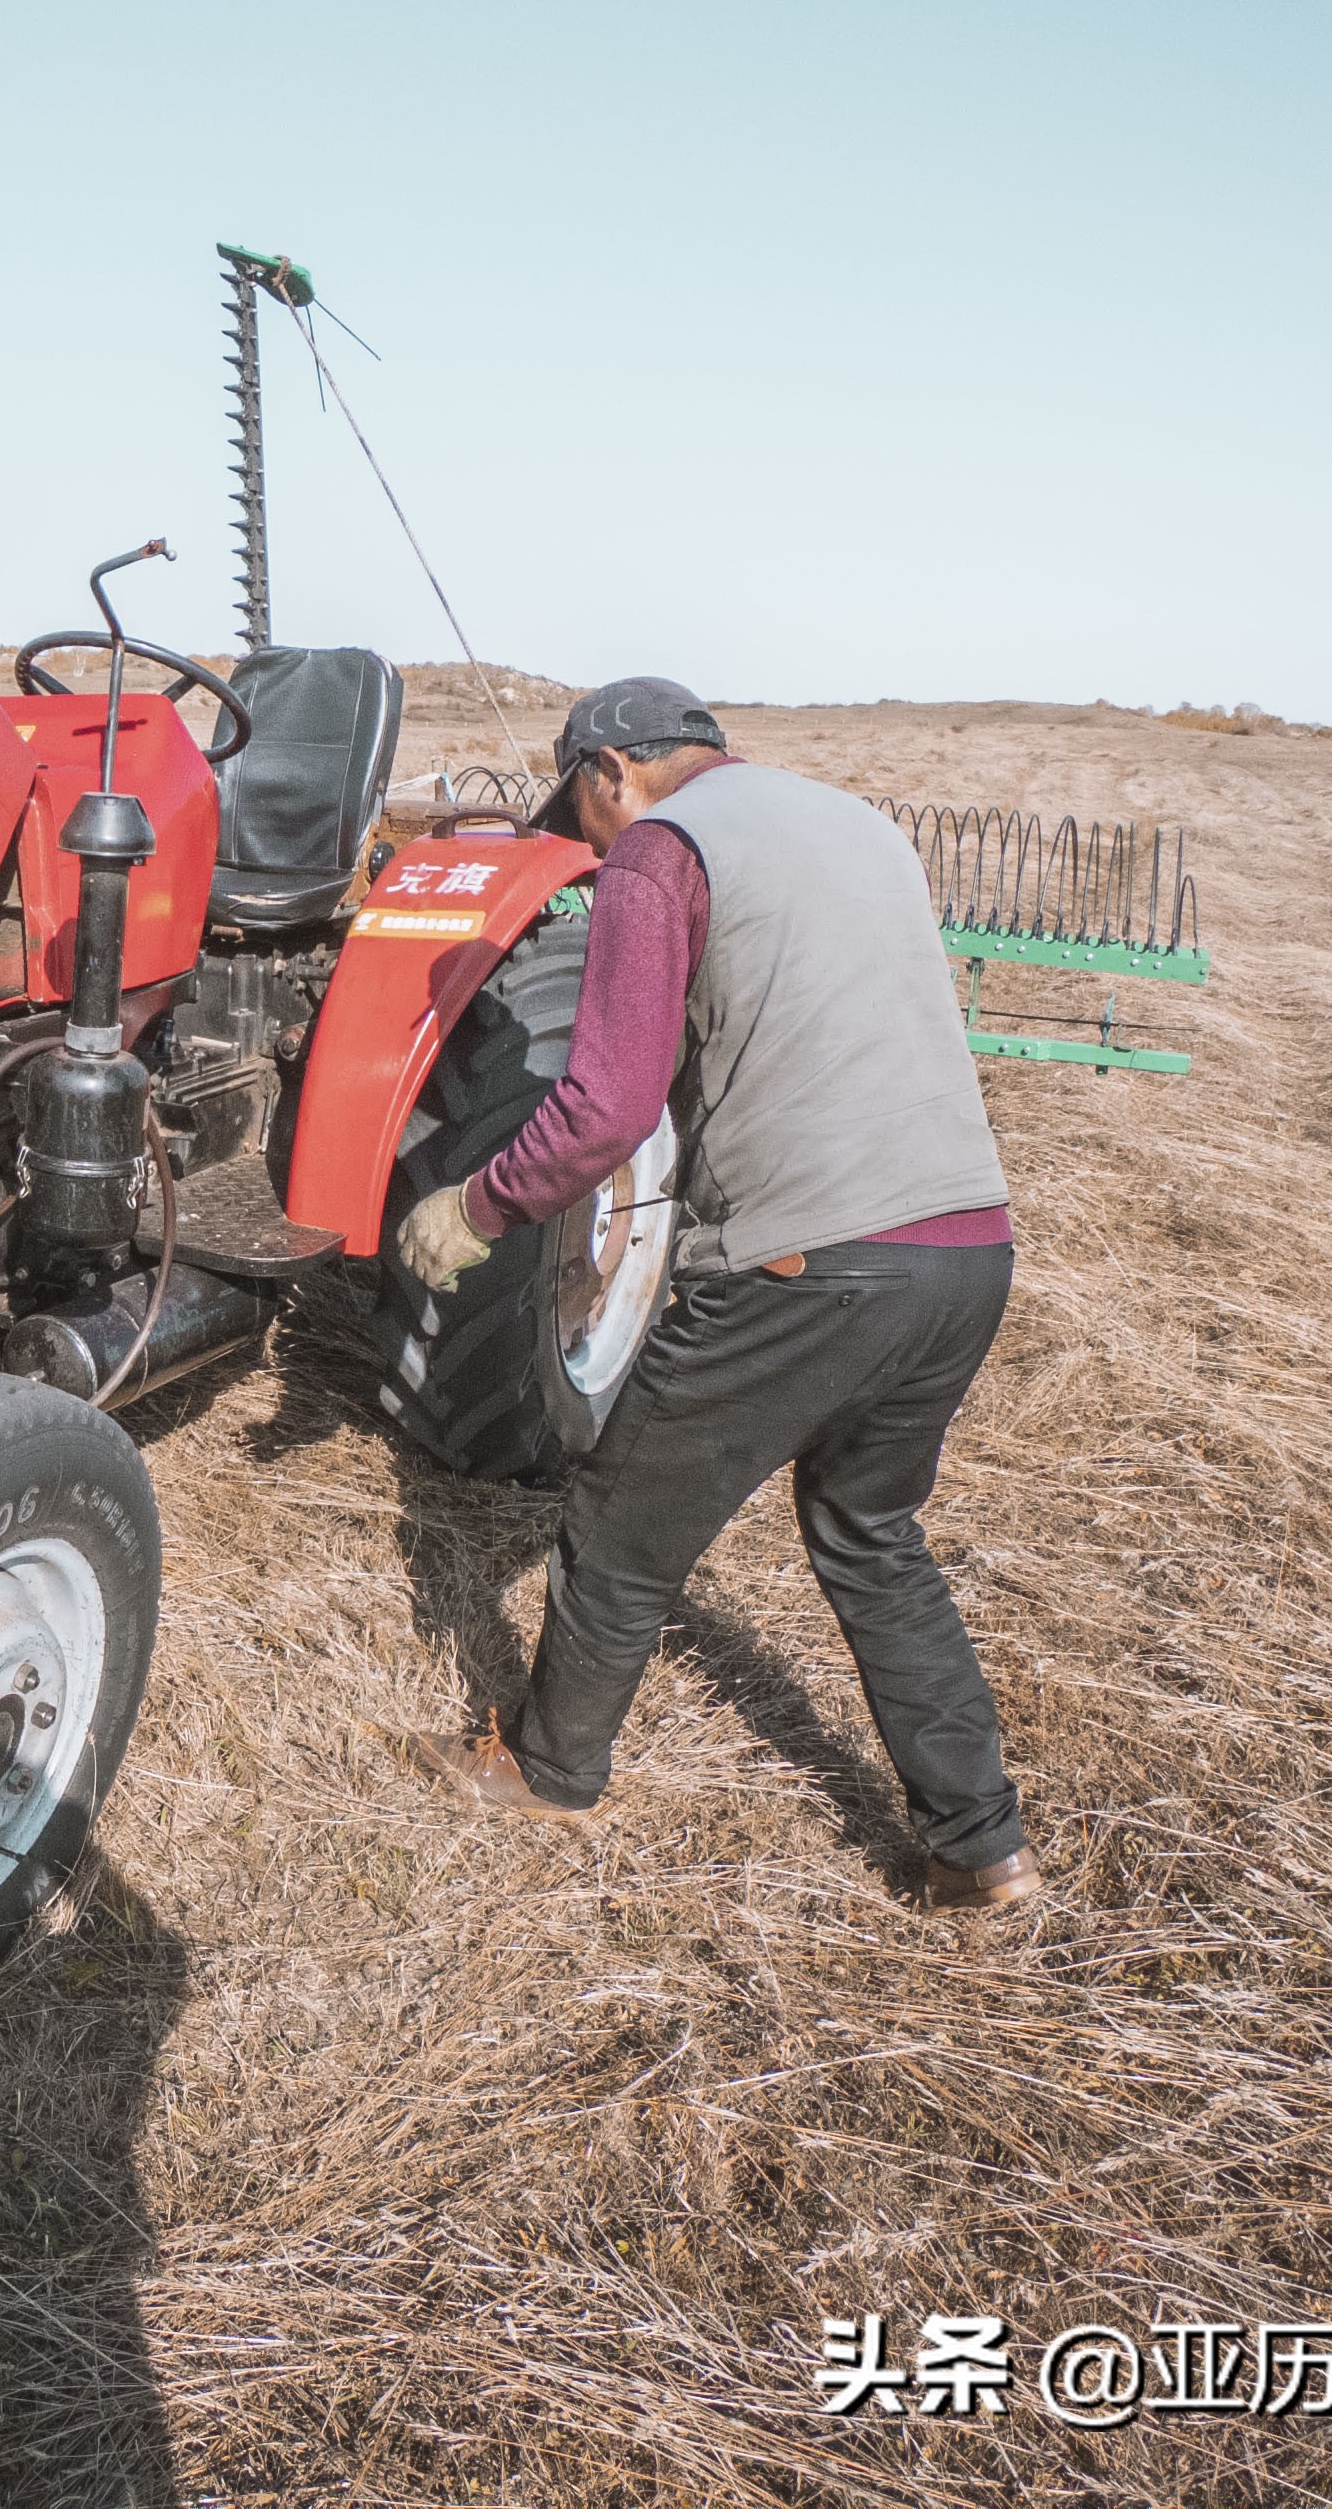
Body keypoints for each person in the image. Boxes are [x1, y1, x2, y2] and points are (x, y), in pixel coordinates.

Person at [391, 678, 1042, 1909]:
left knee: (620, 1526)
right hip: (968, 1249)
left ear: (607, 772)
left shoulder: (655, 849)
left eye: (582, 821)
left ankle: (547, 1774)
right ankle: (978, 1848)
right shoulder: (852, 824)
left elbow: (602, 1110)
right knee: (872, 1536)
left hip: (819, 1264)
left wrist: (472, 1207)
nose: (592, 846)